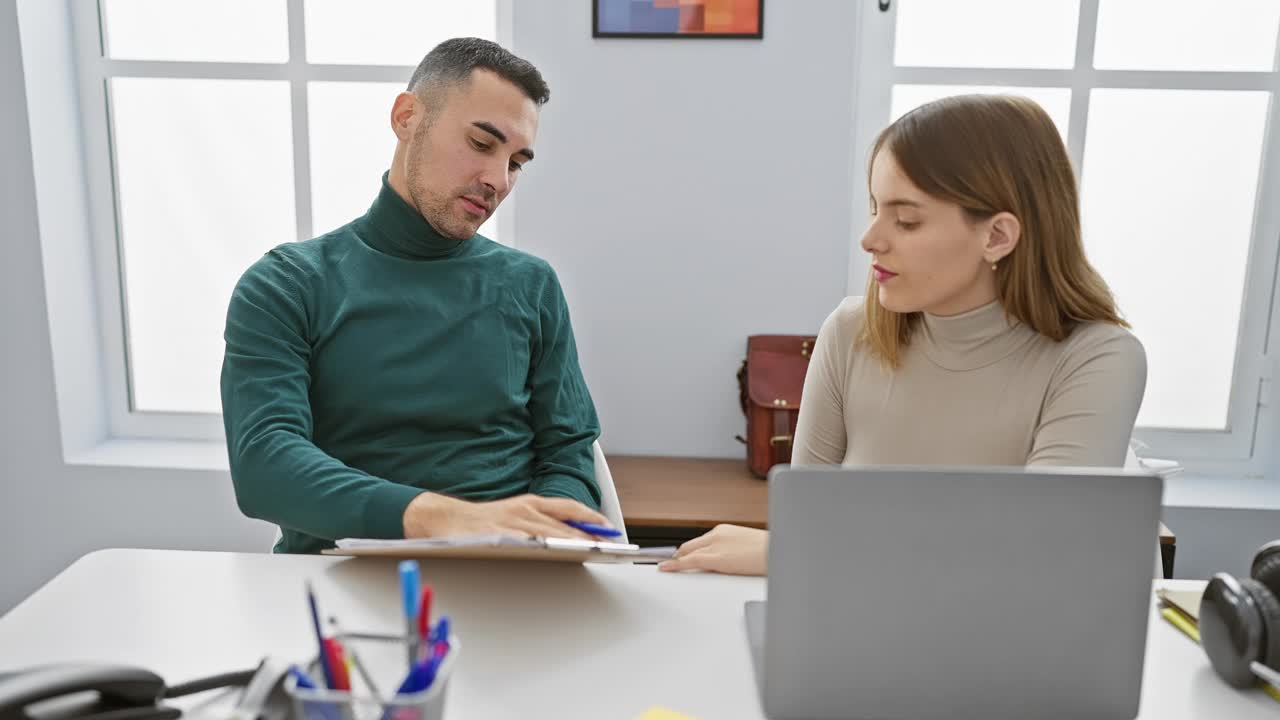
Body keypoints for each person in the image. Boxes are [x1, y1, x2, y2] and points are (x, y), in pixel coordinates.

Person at [659, 94, 1147, 576]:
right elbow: (807, 528)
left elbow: (1036, 555)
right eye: (875, 209)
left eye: (906, 220)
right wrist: (799, 550)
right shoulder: (850, 333)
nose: (870, 239)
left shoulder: (1097, 360)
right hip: (846, 632)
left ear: (997, 236)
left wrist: (793, 552)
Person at [221, 38, 610, 553]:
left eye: (517, 162)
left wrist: (540, 543)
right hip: (336, 583)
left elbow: (568, 455)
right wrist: (444, 520)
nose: (497, 179)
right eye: (480, 143)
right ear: (407, 117)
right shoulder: (286, 285)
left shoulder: (531, 285)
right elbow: (265, 466)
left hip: (510, 579)